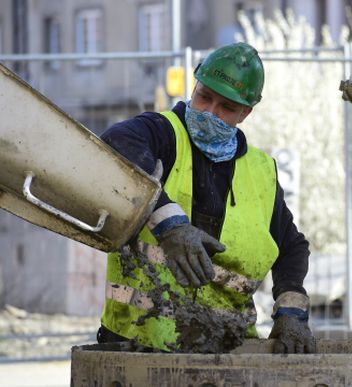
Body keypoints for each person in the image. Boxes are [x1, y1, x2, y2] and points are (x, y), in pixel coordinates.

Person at [96, 42, 315, 354]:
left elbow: (291, 247)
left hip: (229, 347)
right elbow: (116, 146)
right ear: (194, 86)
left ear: (246, 112)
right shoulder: (160, 133)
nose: (210, 112)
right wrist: (170, 226)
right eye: (204, 97)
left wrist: (292, 309)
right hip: (139, 344)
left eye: (226, 107)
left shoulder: (262, 170)